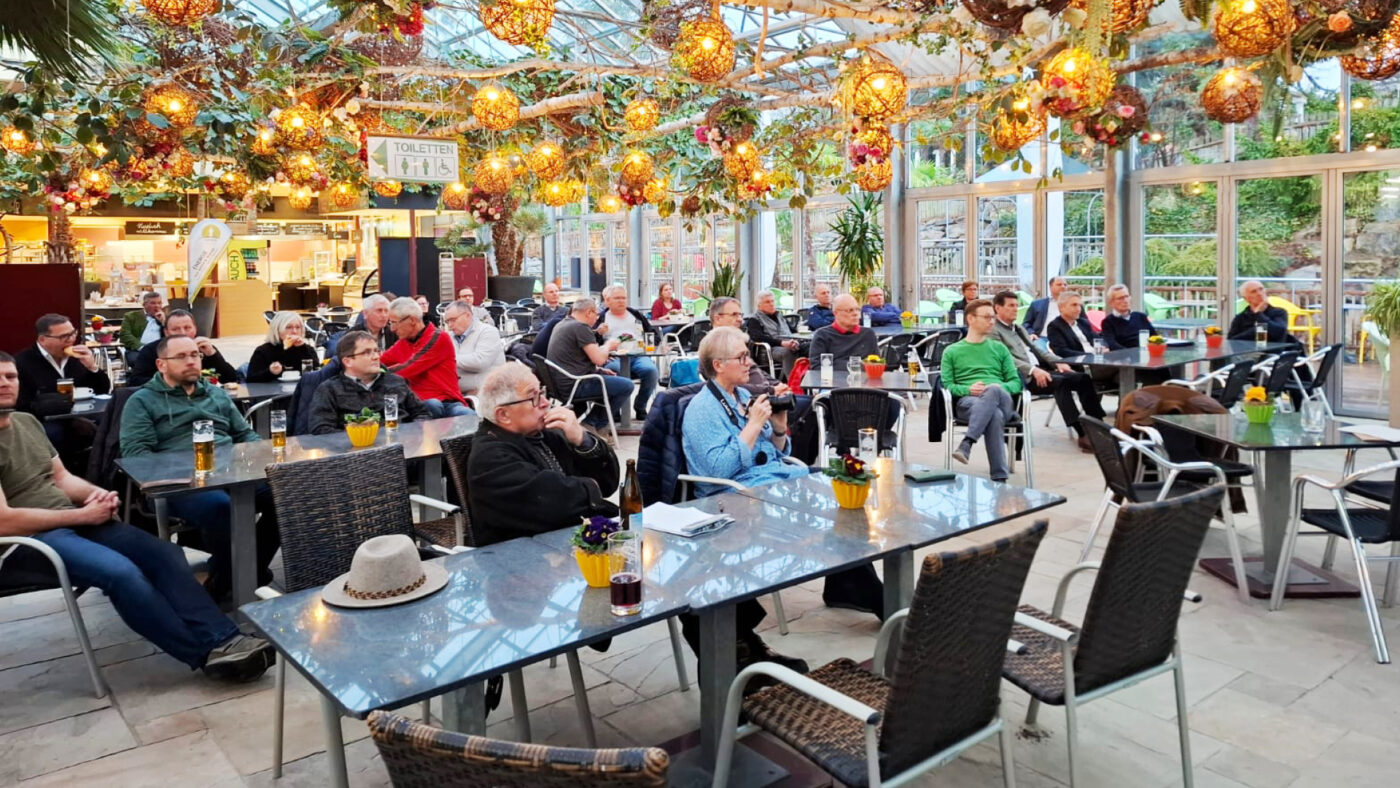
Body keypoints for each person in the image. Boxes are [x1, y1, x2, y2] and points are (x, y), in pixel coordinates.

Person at [0, 352, 275, 682]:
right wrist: (83, 516)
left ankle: (225, 638)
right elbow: (5, 521)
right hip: (24, 542)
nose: (5, 384)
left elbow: (60, 478)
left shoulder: (27, 423)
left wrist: (92, 495)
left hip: (71, 519)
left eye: (10, 377)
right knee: (122, 573)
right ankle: (204, 653)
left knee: (164, 554)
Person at [685, 327, 882, 621]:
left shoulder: (742, 394)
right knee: (835, 507)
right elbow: (719, 469)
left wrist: (778, 424)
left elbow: (776, 450)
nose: (749, 362)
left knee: (845, 489)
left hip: (774, 478)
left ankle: (849, 584)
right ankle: (861, 591)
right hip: (736, 494)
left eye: (747, 355)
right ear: (718, 365)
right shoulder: (702, 409)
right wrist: (752, 425)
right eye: (741, 357)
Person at [120, 336, 281, 603]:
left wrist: (259, 459)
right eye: (181, 356)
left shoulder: (215, 394)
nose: (191, 361)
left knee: (288, 494)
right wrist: (181, 471)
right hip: (179, 481)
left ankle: (233, 575)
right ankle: (244, 576)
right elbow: (137, 456)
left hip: (233, 472)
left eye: (195, 355)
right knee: (218, 506)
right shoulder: (142, 401)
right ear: (161, 364)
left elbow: (245, 435)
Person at [466, 363, 621, 546]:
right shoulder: (490, 456)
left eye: (542, 392)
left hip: (565, 543)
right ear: (504, 415)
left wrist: (582, 439)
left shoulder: (547, 433)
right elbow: (552, 502)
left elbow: (608, 484)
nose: (546, 403)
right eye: (533, 398)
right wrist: (591, 488)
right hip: (518, 558)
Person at [988, 291, 1101, 453]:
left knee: (1082, 378)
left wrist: (1058, 362)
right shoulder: (994, 331)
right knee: (1060, 384)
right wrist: (1033, 370)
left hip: (1041, 369)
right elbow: (1005, 359)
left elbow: (1037, 350)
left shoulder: (1018, 328)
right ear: (998, 308)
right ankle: (1082, 433)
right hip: (1022, 376)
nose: (1015, 309)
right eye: (1011, 306)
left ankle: (1097, 426)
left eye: (1016, 305)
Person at [940, 299, 1022, 482]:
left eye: (993, 317)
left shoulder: (999, 349)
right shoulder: (952, 351)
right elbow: (948, 385)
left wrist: (999, 387)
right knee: (994, 415)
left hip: (1002, 398)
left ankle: (968, 442)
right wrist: (967, 388)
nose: (992, 321)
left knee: (992, 391)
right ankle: (1000, 477)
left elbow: (1016, 383)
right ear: (970, 318)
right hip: (969, 402)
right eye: (987, 317)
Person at [13, 314, 112, 460]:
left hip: (81, 413)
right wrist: (70, 420)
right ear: (42, 339)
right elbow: (23, 405)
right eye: (63, 337)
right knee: (55, 433)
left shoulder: (76, 358)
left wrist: (92, 367)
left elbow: (102, 390)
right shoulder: (23, 362)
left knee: (111, 420)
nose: (71, 340)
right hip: (44, 420)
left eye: (73, 333)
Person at [308, 331, 430, 435]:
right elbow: (320, 429)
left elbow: (422, 413)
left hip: (402, 448)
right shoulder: (330, 389)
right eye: (367, 352)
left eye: (376, 351)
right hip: (355, 455)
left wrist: (412, 434)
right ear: (348, 361)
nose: (376, 357)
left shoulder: (395, 381)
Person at [380, 297, 474, 418]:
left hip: (449, 402)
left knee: (468, 416)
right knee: (432, 405)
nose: (392, 329)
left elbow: (410, 366)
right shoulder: (402, 344)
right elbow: (380, 361)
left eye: (394, 322)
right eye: (390, 323)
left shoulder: (439, 337)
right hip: (422, 405)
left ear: (412, 320)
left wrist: (378, 373)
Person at [547, 298, 633, 429]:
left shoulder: (562, 324)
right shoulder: (580, 327)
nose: (596, 319)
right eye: (596, 315)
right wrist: (609, 345)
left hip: (561, 383)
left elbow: (575, 359)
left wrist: (598, 371)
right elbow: (599, 359)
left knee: (610, 383)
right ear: (589, 312)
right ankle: (592, 425)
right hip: (575, 385)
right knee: (626, 386)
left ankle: (588, 424)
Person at [592, 285, 658, 421]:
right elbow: (591, 341)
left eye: (624, 298)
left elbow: (653, 333)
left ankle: (640, 406)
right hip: (613, 357)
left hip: (638, 355)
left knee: (651, 371)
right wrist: (599, 335)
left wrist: (652, 344)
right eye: (617, 298)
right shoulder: (602, 318)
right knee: (613, 371)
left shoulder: (635, 314)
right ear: (608, 300)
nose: (621, 301)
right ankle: (615, 409)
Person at [126, 309, 237, 388]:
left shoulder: (204, 348)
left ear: (195, 329)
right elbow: (136, 381)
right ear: (166, 332)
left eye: (187, 328)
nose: (183, 333)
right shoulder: (152, 350)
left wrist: (213, 355)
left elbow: (231, 379)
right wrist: (173, 381)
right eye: (176, 329)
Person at [1046, 291, 1118, 385]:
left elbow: (1097, 339)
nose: (1078, 309)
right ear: (1061, 308)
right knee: (1125, 369)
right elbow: (1061, 351)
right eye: (1074, 305)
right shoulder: (1055, 326)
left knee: (1125, 375)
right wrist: (1092, 354)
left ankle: (1124, 396)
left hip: (1099, 361)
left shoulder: (1083, 323)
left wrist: (1104, 347)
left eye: (1080, 305)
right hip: (1083, 366)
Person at [441, 299, 505, 396]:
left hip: (486, 394)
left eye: (453, 320)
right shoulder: (449, 337)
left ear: (467, 315)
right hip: (454, 394)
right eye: (447, 321)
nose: (450, 325)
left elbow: (480, 361)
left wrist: (447, 358)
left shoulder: (488, 332)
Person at [247, 311, 319, 383]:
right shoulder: (263, 351)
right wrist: (270, 372)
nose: (294, 331)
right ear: (277, 330)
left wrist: (303, 348)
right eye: (288, 327)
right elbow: (250, 379)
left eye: (298, 327)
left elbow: (317, 372)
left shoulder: (307, 349)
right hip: (273, 392)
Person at [746, 291, 805, 378]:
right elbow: (757, 337)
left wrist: (796, 339)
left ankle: (809, 382)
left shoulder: (779, 316)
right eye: (767, 302)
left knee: (810, 347)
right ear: (759, 306)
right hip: (770, 349)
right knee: (788, 352)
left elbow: (792, 331)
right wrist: (782, 343)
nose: (772, 304)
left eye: (772, 301)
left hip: (788, 344)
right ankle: (793, 383)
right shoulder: (754, 319)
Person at [808, 293, 878, 364]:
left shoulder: (868, 335)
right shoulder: (822, 336)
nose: (855, 313)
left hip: (862, 375)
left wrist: (835, 363)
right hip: (832, 375)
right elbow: (816, 367)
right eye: (850, 310)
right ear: (835, 313)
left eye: (857, 309)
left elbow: (876, 364)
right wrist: (857, 365)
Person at [1228, 279, 1297, 345]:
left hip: (1273, 353)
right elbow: (1231, 341)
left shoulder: (1279, 312)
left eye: (1261, 289)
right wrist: (1257, 330)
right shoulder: (1240, 318)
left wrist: (1258, 314)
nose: (1259, 293)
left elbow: (1279, 332)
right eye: (1254, 291)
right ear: (1246, 299)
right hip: (1246, 353)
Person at [1100, 284, 1157, 349]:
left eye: (1127, 296)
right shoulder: (1108, 323)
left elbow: (1154, 338)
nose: (1125, 300)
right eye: (1120, 298)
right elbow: (1112, 345)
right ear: (1111, 303)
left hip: (1146, 353)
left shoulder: (1141, 317)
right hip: (1123, 356)